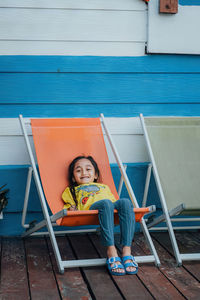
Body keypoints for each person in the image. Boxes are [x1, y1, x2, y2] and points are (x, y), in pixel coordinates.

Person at [62, 155, 138, 276]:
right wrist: (72, 208)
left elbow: (114, 202)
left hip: (108, 208)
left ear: (96, 175)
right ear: (73, 178)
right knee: (106, 203)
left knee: (125, 202)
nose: (84, 173)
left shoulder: (104, 187)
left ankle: (126, 251)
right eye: (78, 170)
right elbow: (69, 206)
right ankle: (111, 251)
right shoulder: (71, 190)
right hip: (91, 210)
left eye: (88, 169)